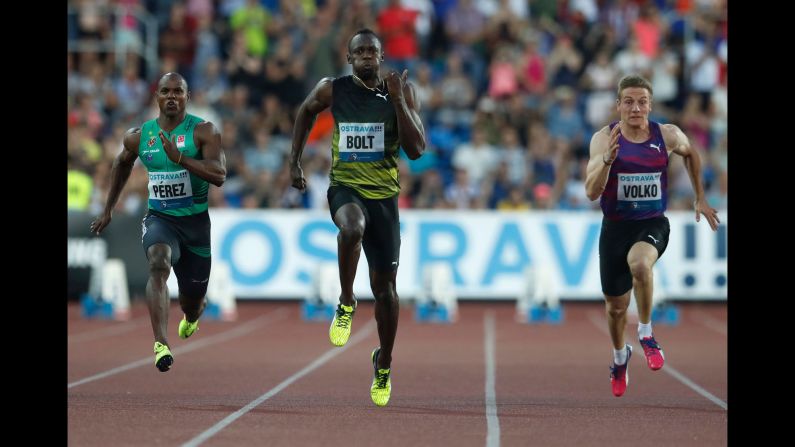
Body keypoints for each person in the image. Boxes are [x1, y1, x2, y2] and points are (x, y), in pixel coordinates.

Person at [289, 29, 426, 407]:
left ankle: (383, 362)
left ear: (382, 58)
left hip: (384, 198)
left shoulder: (402, 91)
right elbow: (304, 111)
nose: (366, 56)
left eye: (373, 51)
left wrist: (398, 101)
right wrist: (294, 161)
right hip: (345, 189)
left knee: (386, 291)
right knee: (351, 227)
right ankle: (346, 301)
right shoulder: (333, 89)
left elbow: (416, 150)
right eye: (359, 51)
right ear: (349, 59)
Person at [584, 74, 719, 397]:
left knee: (641, 265)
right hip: (615, 228)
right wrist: (607, 161)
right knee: (616, 309)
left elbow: (692, 154)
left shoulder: (667, 134)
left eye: (642, 102)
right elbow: (591, 192)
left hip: (652, 223)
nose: (635, 108)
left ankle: (646, 333)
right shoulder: (604, 140)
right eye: (628, 101)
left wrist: (700, 196)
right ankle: (620, 357)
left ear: (650, 105)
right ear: (618, 106)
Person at [90, 72, 227, 372]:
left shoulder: (204, 131)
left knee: (192, 302)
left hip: (195, 226)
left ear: (187, 97)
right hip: (160, 219)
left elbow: (219, 175)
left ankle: (192, 317)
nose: (172, 96)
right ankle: (161, 344)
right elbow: (121, 163)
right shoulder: (140, 136)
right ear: (157, 97)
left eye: (178, 91)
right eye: (166, 91)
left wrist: (181, 158)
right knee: (158, 262)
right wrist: (108, 208)